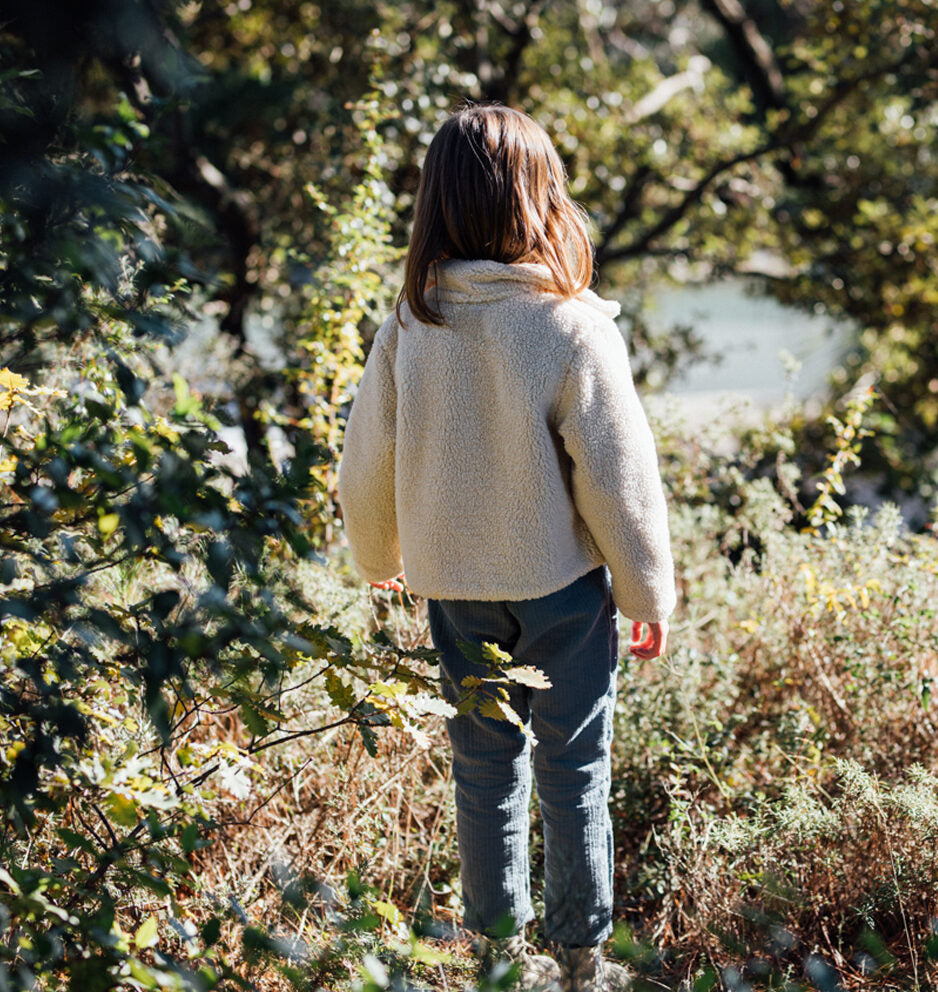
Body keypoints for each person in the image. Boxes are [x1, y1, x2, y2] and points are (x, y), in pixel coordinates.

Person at [337, 104, 675, 992]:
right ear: (541, 197)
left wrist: (379, 554)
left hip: (455, 590)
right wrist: (645, 596)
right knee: (575, 769)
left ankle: (496, 957)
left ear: (434, 204)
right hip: (563, 592)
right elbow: (618, 477)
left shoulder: (414, 323)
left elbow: (365, 458)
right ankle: (579, 960)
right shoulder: (570, 325)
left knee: (484, 771)